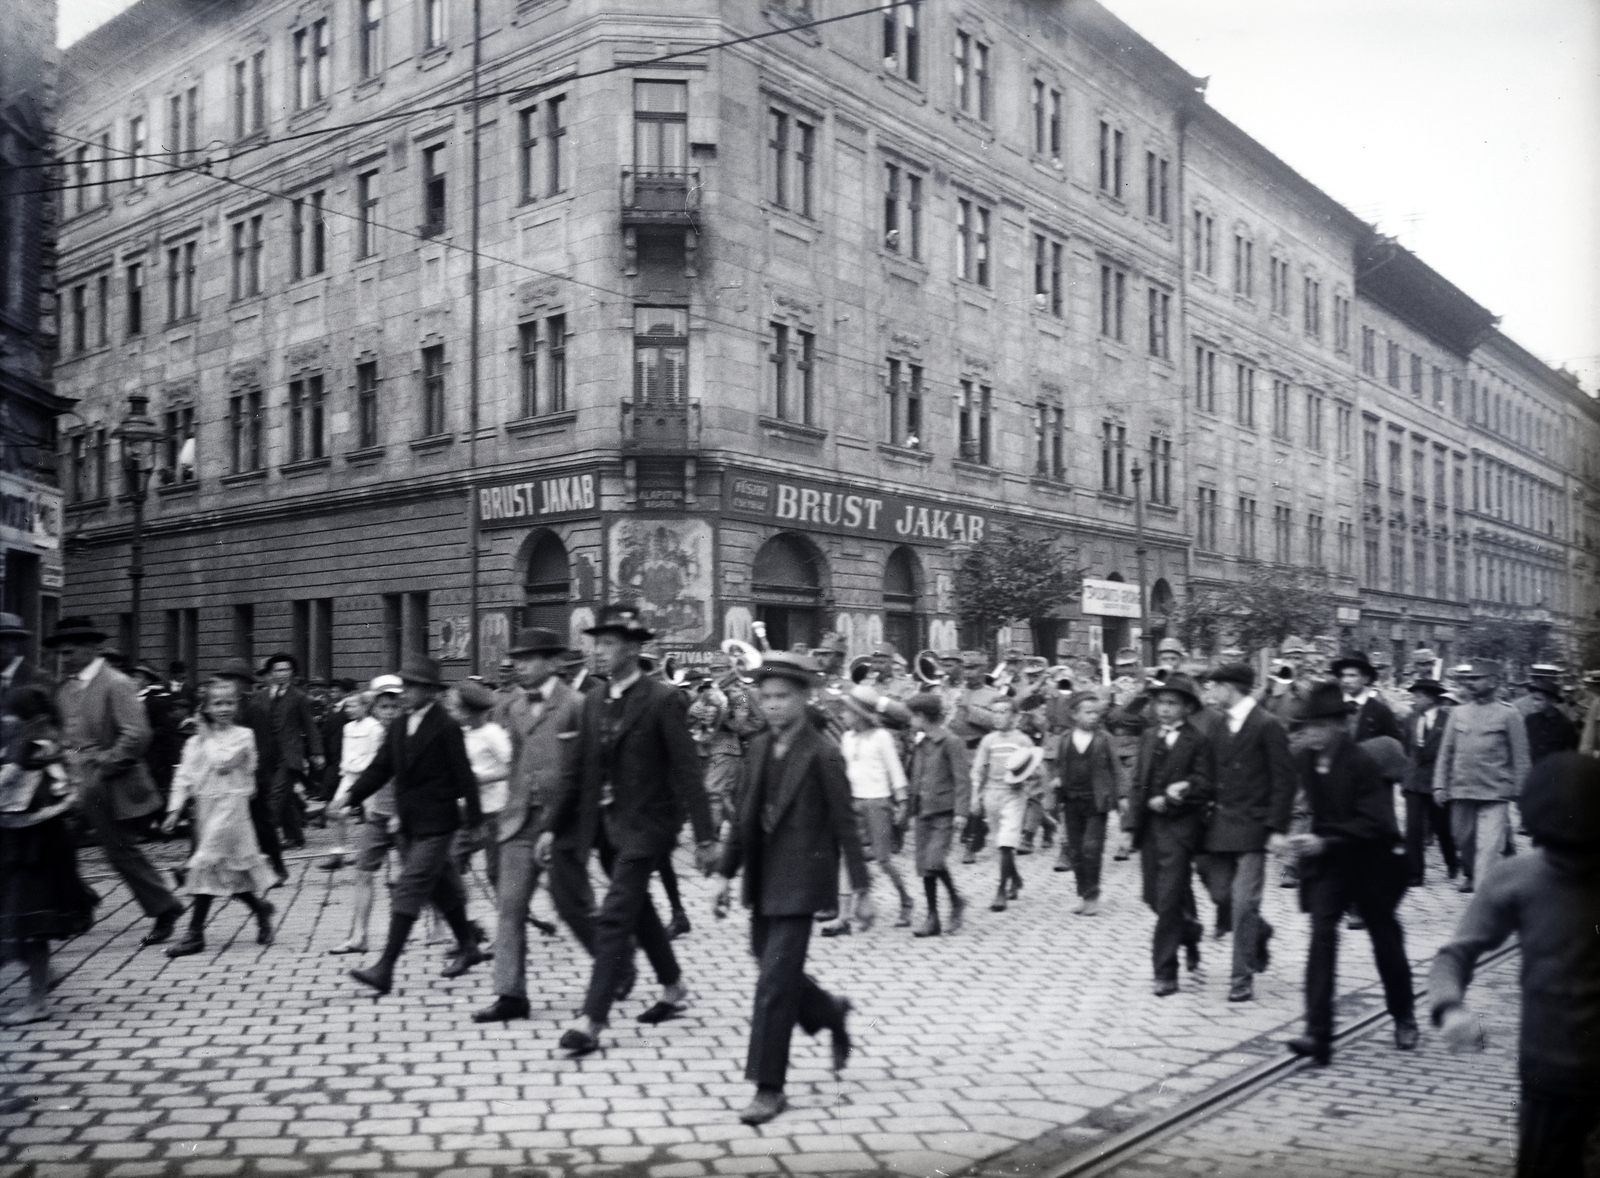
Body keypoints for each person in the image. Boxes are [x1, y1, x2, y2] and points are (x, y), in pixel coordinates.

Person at [537, 604, 718, 1056]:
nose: (600, 650)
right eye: (597, 642)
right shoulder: (596, 699)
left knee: (617, 913)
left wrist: (705, 836)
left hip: (648, 826)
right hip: (606, 827)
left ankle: (591, 1019)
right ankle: (673, 987)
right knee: (640, 911)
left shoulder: (662, 699)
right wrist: (550, 826)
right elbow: (576, 768)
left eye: (610, 642)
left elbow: (687, 772)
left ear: (635, 648)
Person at [1428, 752, 1600, 1178]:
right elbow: (1455, 953)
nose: (1572, 863)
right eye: (1560, 850)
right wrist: (1450, 1007)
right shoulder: (1516, 877)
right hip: (1547, 1073)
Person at [716, 652, 868, 1125]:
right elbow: (743, 817)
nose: (773, 706)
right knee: (770, 967)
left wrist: (861, 886)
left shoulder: (823, 753)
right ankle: (829, 1010)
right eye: (766, 698)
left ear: (805, 698)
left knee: (773, 985)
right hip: (762, 877)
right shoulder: (758, 746)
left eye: (783, 697)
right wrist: (725, 874)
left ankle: (769, 1087)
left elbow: (846, 822)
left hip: (804, 881)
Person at [1277, 681, 1417, 1066]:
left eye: (1319, 726)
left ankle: (1404, 1014)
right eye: (1307, 726)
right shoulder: (1306, 759)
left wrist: (1326, 841)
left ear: (1340, 725)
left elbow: (1376, 823)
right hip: (1332, 865)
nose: (1311, 733)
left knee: (1385, 940)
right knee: (1322, 937)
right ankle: (1317, 1035)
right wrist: (1277, 833)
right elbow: (1283, 793)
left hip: (1372, 862)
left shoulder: (1361, 763)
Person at [341, 655, 486, 994]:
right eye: (404, 685)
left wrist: (476, 821)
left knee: (409, 886)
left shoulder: (446, 726)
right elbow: (380, 769)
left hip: (439, 824)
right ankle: (469, 945)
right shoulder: (400, 724)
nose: (405, 692)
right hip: (409, 824)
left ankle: (385, 967)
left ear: (432, 691)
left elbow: (465, 775)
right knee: (441, 887)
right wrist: (347, 798)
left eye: (413, 686)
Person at [49, 616, 185, 946]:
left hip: (107, 783)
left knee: (120, 851)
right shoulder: (65, 689)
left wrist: (103, 766)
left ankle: (164, 907)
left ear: (91, 649)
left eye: (70, 652)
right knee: (54, 845)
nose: (64, 658)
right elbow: (68, 736)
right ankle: (83, 900)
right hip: (70, 780)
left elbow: (137, 735)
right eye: (61, 653)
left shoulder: (117, 683)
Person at [474, 628, 586, 1025]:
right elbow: (515, 761)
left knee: (575, 907)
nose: (517, 666)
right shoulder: (514, 707)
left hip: (564, 821)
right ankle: (510, 994)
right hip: (520, 820)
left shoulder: (577, 704)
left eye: (528, 659)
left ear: (554, 662)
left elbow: (586, 767)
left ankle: (617, 969)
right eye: (515, 659)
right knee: (510, 906)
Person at [1196, 664, 1296, 1002]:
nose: (1210, 694)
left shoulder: (1267, 725)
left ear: (1231, 688)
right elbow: (1208, 774)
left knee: (1241, 904)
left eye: (1215, 687)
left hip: (1253, 827)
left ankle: (1242, 978)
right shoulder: (1218, 725)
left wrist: (1278, 828)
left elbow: (1285, 781)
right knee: (1219, 892)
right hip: (1219, 826)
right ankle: (1260, 931)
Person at [159, 678, 277, 956]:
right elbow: (184, 775)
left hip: (232, 808)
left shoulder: (243, 736)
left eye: (229, 703)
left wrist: (207, 736)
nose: (224, 708)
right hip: (206, 810)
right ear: (206, 707)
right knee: (228, 872)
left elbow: (223, 764)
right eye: (217, 703)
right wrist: (174, 809)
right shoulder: (195, 742)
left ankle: (194, 933)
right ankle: (260, 909)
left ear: (237, 705)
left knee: (205, 863)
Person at [0, 687, 96, 1025]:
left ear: (32, 722)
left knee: (30, 921)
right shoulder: (23, 748)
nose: (3, 722)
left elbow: (12, 789)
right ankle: (44, 977)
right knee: (14, 921)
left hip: (38, 846)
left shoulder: (34, 752)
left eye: (8, 717)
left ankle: (38, 1001)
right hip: (18, 842)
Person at [1125, 674, 1214, 996]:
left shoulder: (1198, 740)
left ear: (1187, 708)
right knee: (1153, 896)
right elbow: (1138, 783)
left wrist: (1180, 792)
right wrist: (1129, 827)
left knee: (1168, 899)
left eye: (1172, 703)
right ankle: (1189, 930)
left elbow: (1205, 784)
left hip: (1180, 828)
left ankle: (1165, 973)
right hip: (1150, 829)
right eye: (1160, 702)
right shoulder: (1149, 737)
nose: (1164, 709)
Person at [1433, 659, 1531, 894]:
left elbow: (1520, 756)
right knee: (1463, 839)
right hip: (1462, 789)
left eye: (1476, 679)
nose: (1470, 683)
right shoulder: (1458, 713)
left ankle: (1482, 895)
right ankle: (1471, 872)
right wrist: (1439, 785)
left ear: (1494, 682)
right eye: (1469, 679)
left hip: (1495, 792)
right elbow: (1445, 751)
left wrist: (1522, 791)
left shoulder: (1509, 715)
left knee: (1488, 847)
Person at [823, 684, 913, 935]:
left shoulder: (881, 737)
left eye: (847, 712)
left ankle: (906, 899)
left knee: (883, 859)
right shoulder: (847, 738)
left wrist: (902, 802)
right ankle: (843, 916)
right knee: (846, 856)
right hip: (853, 802)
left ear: (860, 714)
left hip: (878, 802)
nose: (843, 716)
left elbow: (895, 769)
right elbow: (843, 771)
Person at [327, 678, 404, 955]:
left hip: (405, 817)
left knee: (412, 878)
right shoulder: (373, 734)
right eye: (384, 706)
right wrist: (351, 800)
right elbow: (367, 775)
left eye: (395, 706)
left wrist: (402, 812)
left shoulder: (409, 735)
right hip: (378, 814)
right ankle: (359, 936)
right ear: (375, 709)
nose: (389, 712)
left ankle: (439, 929)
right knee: (363, 872)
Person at [1050, 692, 1122, 916]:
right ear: (1073, 714)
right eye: (1087, 712)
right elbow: (1060, 765)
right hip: (1072, 801)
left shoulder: (1104, 738)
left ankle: (1093, 896)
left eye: (1096, 713)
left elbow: (1116, 769)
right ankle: (1083, 894)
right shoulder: (1064, 739)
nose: (1093, 717)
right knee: (1076, 851)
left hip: (1096, 801)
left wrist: (1123, 798)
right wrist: (1057, 782)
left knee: (1092, 848)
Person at [904, 692, 970, 937]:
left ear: (922, 717)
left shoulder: (950, 741)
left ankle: (955, 901)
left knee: (934, 861)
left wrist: (962, 812)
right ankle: (933, 916)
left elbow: (963, 780)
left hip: (944, 811)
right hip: (923, 810)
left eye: (913, 716)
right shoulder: (921, 742)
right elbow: (917, 776)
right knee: (924, 866)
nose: (910, 721)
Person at [252, 653, 326, 852]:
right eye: (278, 670)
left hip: (290, 754)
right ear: (271, 673)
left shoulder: (299, 697)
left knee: (276, 794)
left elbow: (310, 726)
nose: (282, 674)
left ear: (292, 672)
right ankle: (295, 837)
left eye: (286, 670)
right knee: (286, 796)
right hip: (267, 755)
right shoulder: (260, 697)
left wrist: (317, 752)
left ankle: (262, 837)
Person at [969, 697, 1037, 910]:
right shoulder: (988, 741)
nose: (998, 716)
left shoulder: (1023, 740)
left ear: (1015, 716)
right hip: (992, 793)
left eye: (1004, 712)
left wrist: (1026, 780)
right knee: (1001, 842)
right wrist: (974, 795)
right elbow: (979, 769)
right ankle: (1015, 879)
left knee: (1007, 842)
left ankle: (1001, 890)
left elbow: (1033, 767)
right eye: (995, 712)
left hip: (1014, 794)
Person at [448, 681, 512, 889]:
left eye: (457, 709)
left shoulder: (492, 734)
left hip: (494, 810)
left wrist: (479, 779)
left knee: (495, 872)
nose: (453, 713)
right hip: (467, 809)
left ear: (469, 711)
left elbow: (511, 769)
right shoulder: (460, 733)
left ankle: (510, 912)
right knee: (452, 860)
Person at [1401, 678, 1457, 887]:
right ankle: (1415, 873)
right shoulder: (1411, 719)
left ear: (1432, 698)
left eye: (1419, 696)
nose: (1415, 700)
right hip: (1414, 781)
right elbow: (1407, 747)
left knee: (1442, 827)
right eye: (1414, 695)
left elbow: (1450, 750)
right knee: (1413, 828)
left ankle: (1452, 861)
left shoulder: (1448, 719)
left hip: (1437, 781)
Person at [1331, 653, 1403, 742]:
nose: (1346, 681)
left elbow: (1393, 744)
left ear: (1366, 679)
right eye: (1343, 675)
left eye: (1352, 675)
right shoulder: (1332, 706)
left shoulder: (1380, 710)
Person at [1523, 673, 1579, 766]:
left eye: (1539, 700)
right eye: (1534, 699)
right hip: (1533, 771)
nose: (1535, 703)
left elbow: (1572, 752)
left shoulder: (1565, 724)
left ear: (1552, 701)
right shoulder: (1530, 720)